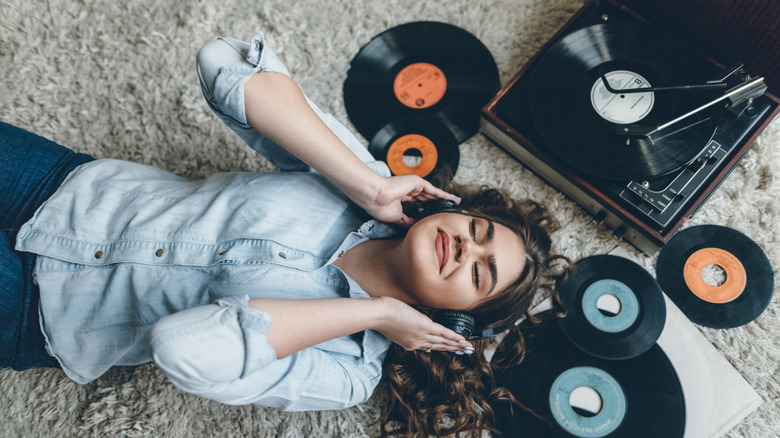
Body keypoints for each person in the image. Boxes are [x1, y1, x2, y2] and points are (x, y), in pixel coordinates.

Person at [1, 31, 569, 436]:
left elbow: (179, 350)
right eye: (476, 230)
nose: (467, 246)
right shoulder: (367, 184)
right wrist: (365, 184)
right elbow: (224, 61)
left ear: (453, 322)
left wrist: (377, 316)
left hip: (40, 313)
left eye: (479, 271)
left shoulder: (346, 373)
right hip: (63, 186)